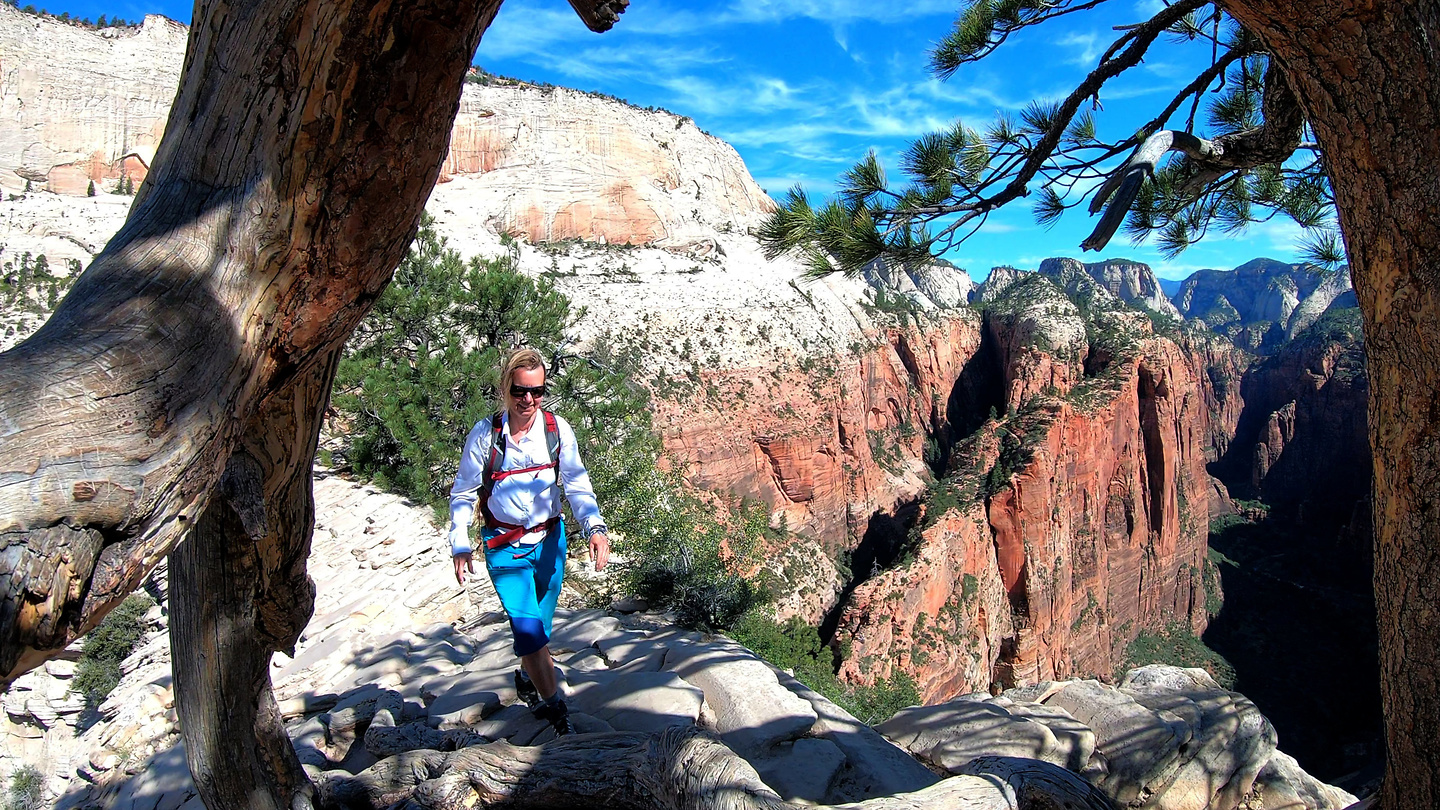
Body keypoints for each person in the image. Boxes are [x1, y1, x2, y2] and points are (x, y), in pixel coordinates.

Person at [448, 348, 611, 736]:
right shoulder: (485, 435)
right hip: (504, 545)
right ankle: (557, 712)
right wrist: (460, 542)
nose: (528, 401)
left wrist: (594, 527)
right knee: (527, 630)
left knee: (540, 630)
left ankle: (528, 677)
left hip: (550, 543)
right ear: (506, 387)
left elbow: (575, 482)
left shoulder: (556, 429)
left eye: (537, 392)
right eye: (520, 391)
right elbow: (464, 492)